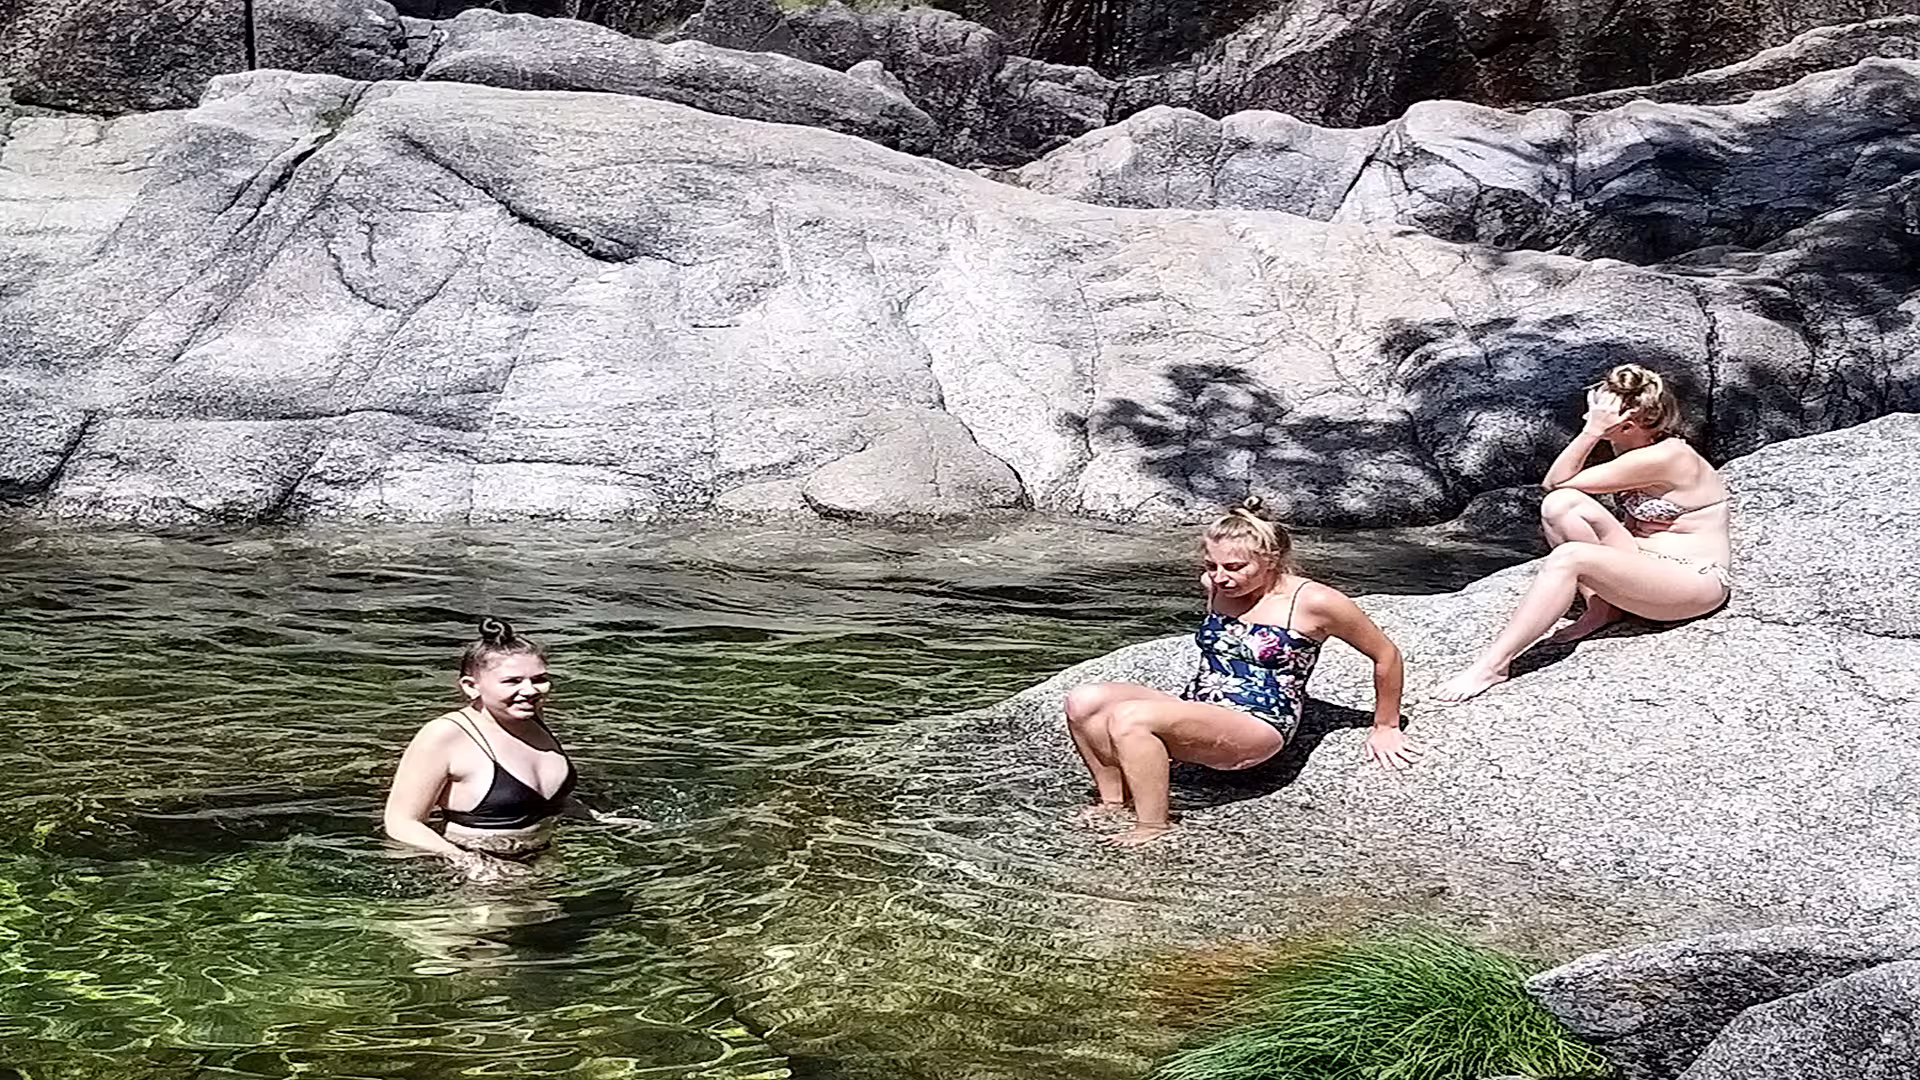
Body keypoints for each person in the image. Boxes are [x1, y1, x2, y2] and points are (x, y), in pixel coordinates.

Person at [1064, 497, 1416, 847]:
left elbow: (1385, 655)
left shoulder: (1316, 603)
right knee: (1084, 700)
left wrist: (1385, 725)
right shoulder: (1215, 586)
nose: (1220, 577)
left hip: (1259, 723)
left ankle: (1155, 825)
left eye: (1234, 567)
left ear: (1271, 560)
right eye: (1212, 566)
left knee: (1132, 718)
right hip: (1201, 707)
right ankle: (1113, 801)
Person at [1435, 364, 1733, 704]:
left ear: (1628, 425)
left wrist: (1591, 433)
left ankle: (1493, 666)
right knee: (1561, 505)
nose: (1589, 418)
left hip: (1691, 581)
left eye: (1601, 416)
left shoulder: (1664, 456)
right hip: (1643, 563)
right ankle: (1603, 608)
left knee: (1569, 556)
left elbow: (1554, 479)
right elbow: (1557, 491)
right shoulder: (1633, 445)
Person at [384, 618, 578, 883]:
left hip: (544, 860)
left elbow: (539, 801)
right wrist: (468, 863)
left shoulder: (531, 717)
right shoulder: (445, 735)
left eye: (539, 679)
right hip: (476, 873)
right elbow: (401, 823)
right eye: (512, 681)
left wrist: (599, 818)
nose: (530, 691)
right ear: (470, 686)